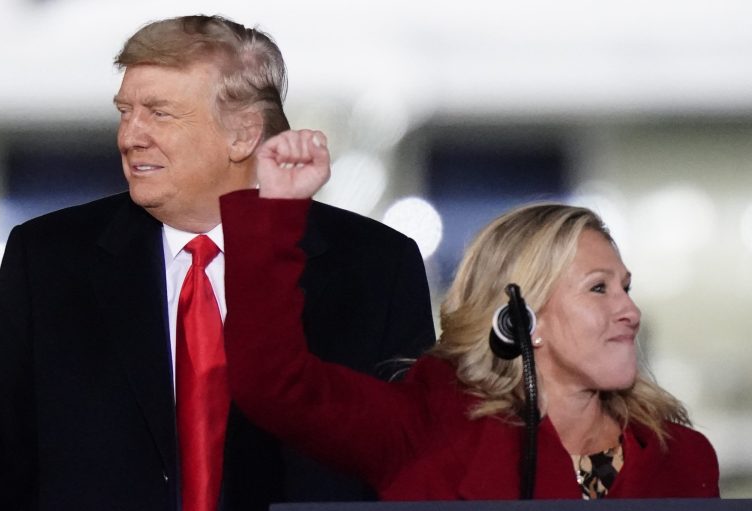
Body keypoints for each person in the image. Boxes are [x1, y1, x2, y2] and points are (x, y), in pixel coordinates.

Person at [0, 15, 435, 511]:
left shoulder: (375, 268)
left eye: (159, 113)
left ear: (242, 135)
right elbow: (0, 464)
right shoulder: (47, 259)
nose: (129, 136)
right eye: (125, 112)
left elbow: (410, 469)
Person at [220, 129, 720, 500]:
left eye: (626, 288)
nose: (629, 310)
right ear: (523, 321)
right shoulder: (426, 430)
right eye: (599, 289)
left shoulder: (683, 455)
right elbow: (274, 382)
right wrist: (278, 212)